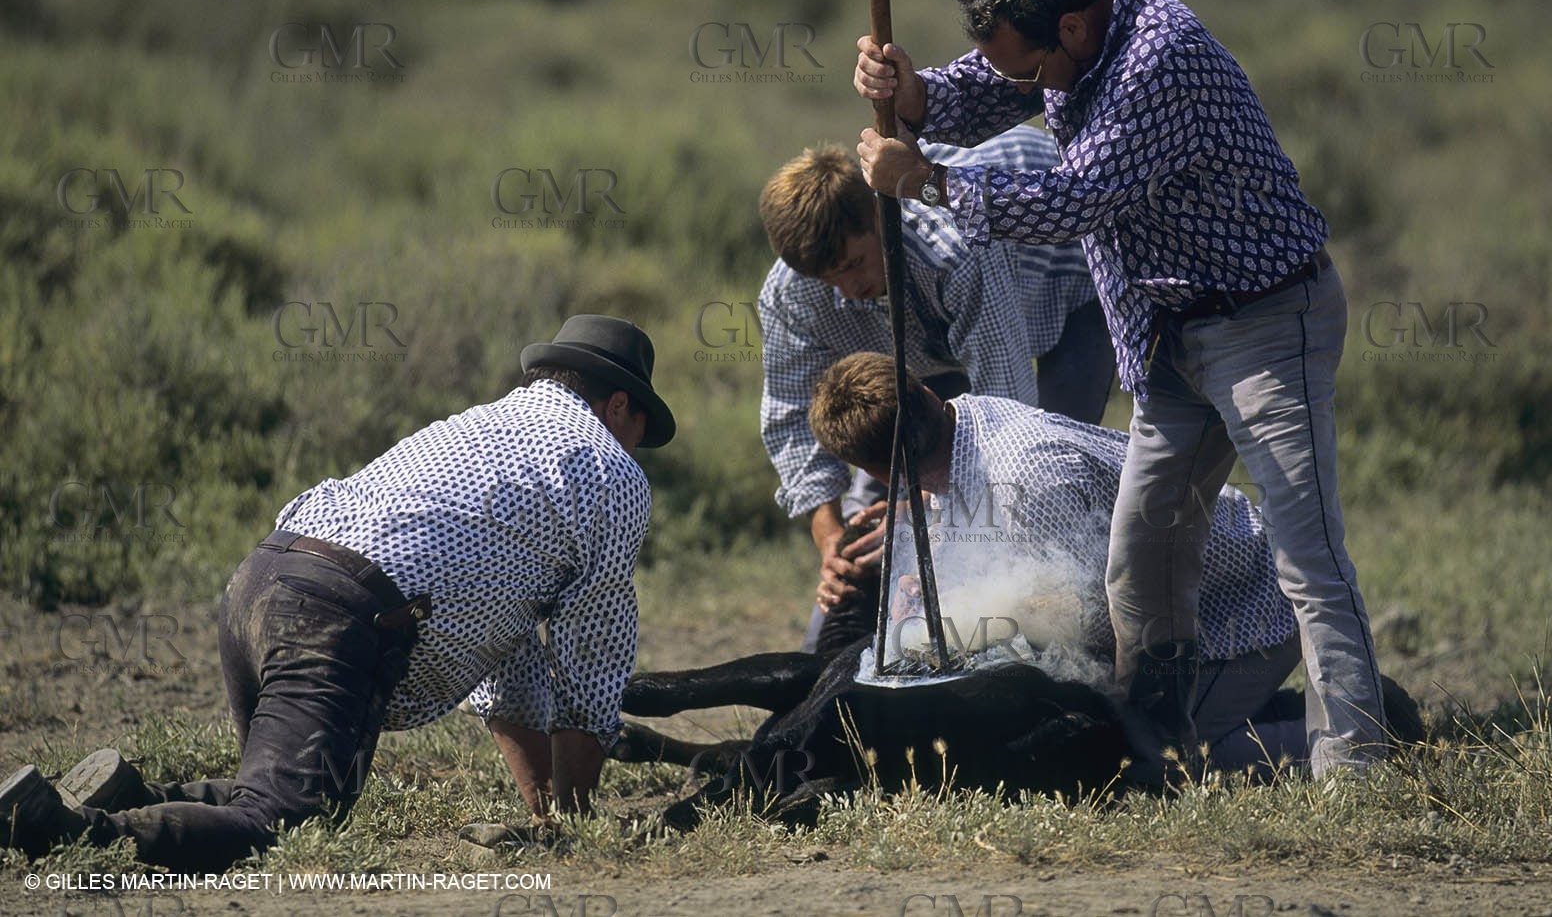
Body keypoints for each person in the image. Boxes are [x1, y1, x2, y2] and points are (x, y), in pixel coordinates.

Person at [851, 0, 1386, 776]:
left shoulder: (1157, 61)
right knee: (1139, 563)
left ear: (1072, 26)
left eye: (1030, 71)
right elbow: (988, 83)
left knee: (1305, 553)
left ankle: (1357, 766)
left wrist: (927, 180)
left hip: (1264, 324)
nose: (1021, 88)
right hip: (1169, 333)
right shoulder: (1065, 29)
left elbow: (1073, 200)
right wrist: (912, 93)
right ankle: (1150, 742)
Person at [1, 315, 673, 869]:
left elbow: (514, 665)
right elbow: (591, 661)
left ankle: (129, 794)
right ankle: (58, 832)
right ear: (618, 406)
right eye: (640, 430)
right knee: (284, 819)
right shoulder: (607, 466)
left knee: (273, 788)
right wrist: (580, 824)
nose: (637, 449)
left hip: (263, 576)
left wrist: (548, 817)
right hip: (339, 611)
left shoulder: (487, 429)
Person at [808, 352, 1310, 772]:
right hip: (1184, 609)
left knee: (1151, 762)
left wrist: (959, 625)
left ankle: (1348, 731)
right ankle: (1265, 710)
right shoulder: (955, 423)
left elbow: (1083, 613)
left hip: (1244, 612)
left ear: (876, 471)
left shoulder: (1027, 478)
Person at [757, 126, 1114, 652]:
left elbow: (1005, 415)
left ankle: (1062, 640)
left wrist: (929, 508)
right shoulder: (791, 295)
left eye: (854, 265)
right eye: (829, 279)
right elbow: (792, 418)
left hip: (1064, 286)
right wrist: (835, 539)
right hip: (930, 346)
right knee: (880, 498)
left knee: (1029, 485)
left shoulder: (955, 246)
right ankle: (831, 654)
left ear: (880, 218)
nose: (849, 291)